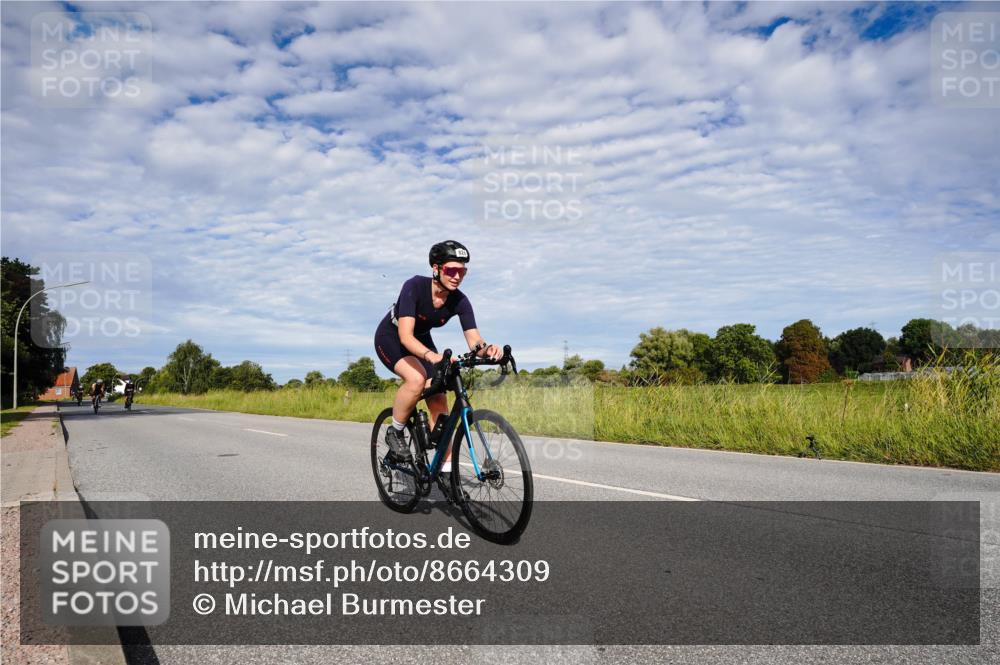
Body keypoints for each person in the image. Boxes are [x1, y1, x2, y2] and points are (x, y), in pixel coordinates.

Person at [374, 241, 503, 467]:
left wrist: (487, 349)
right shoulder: (414, 286)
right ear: (436, 268)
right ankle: (395, 432)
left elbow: (474, 340)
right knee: (416, 379)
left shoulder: (460, 300)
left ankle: (444, 468)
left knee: (439, 394)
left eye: (462, 271)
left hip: (421, 339)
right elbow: (405, 336)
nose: (457, 276)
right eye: (452, 270)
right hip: (392, 336)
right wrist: (432, 356)